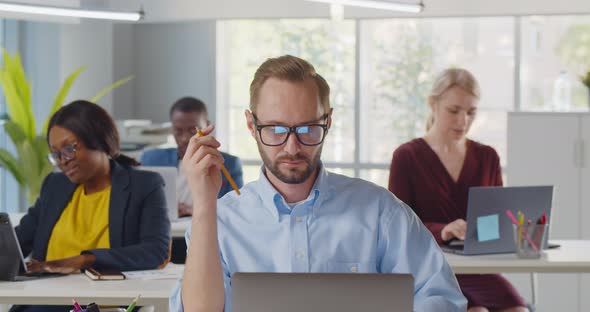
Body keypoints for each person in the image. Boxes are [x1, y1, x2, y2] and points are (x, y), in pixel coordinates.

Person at [170, 55, 467, 312]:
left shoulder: (380, 212)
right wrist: (204, 202)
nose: (292, 147)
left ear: (328, 121)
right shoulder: (220, 220)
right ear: (251, 124)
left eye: (308, 129)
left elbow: (441, 296)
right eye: (275, 130)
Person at [388, 68, 527, 312]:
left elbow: (496, 221)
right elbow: (400, 229)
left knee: (518, 310)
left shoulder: (487, 157)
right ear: (433, 104)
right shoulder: (406, 157)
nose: (463, 121)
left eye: (471, 112)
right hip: (432, 270)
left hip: (479, 270)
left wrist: (509, 230)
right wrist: (444, 230)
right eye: (454, 111)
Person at [12, 100, 171, 312]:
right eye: (55, 153)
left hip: (103, 303)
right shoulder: (55, 186)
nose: (62, 160)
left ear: (99, 140)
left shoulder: (144, 185)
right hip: (46, 298)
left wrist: (84, 260)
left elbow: (155, 251)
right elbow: (19, 241)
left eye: (69, 148)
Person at [140, 96, 243, 217]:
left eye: (193, 131)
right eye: (178, 131)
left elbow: (237, 210)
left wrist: (198, 211)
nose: (184, 139)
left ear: (207, 127)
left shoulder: (229, 164)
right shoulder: (151, 159)